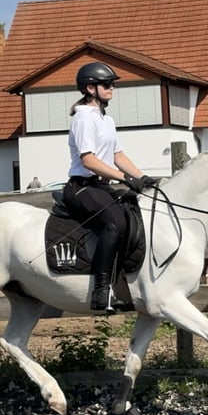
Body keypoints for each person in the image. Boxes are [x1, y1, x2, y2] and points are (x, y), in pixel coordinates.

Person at [63, 62, 157, 311]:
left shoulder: (106, 119)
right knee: (114, 222)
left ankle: (126, 279)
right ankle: (101, 290)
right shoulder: (84, 119)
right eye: (107, 84)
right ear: (90, 88)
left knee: (132, 213)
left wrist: (142, 177)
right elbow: (89, 159)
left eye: (112, 84)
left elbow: (118, 155)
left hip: (101, 186)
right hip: (81, 187)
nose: (112, 88)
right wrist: (123, 179)